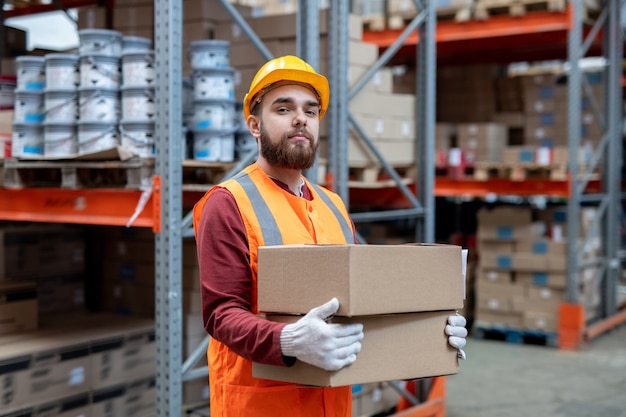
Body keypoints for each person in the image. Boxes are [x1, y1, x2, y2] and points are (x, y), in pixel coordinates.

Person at [193, 55, 468, 417]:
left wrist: (432, 328)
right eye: (283, 108)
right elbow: (221, 314)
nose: (300, 119)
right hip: (261, 405)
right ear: (254, 125)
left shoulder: (333, 205)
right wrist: (288, 341)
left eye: (311, 111)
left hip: (332, 403)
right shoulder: (228, 202)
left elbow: (364, 301)